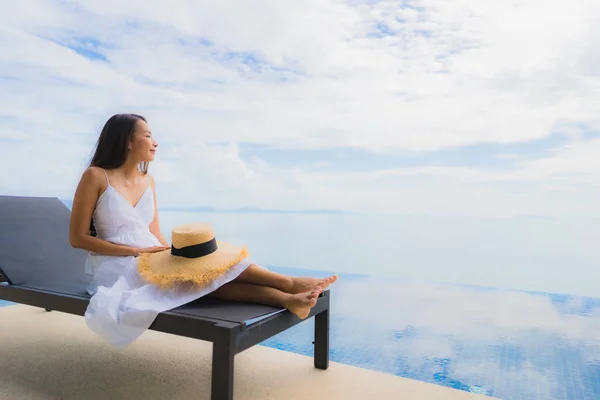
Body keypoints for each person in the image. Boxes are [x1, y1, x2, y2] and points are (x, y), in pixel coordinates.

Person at [68, 113, 337, 347]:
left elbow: (154, 230)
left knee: (209, 261)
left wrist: (175, 258)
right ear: (127, 140)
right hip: (115, 264)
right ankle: (285, 293)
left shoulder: (148, 180)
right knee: (197, 279)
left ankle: (287, 288)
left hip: (152, 253)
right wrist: (136, 251)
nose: (155, 142)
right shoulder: (95, 176)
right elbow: (77, 238)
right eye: (148, 136)